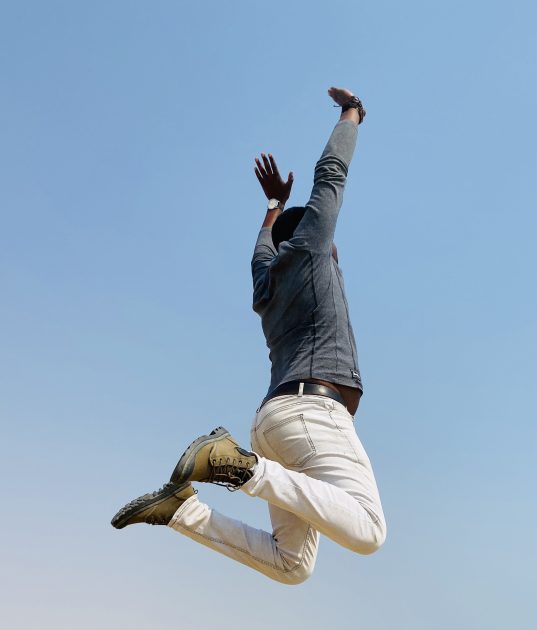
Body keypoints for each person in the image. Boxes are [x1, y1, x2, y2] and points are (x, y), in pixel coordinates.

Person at [111, 86, 386, 584]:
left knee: (292, 565)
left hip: (275, 421)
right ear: (315, 238)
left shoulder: (266, 284)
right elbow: (331, 173)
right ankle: (241, 468)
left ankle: (183, 511)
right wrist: (352, 113)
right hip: (311, 413)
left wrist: (274, 204)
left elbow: (261, 248)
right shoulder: (313, 252)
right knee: (368, 530)